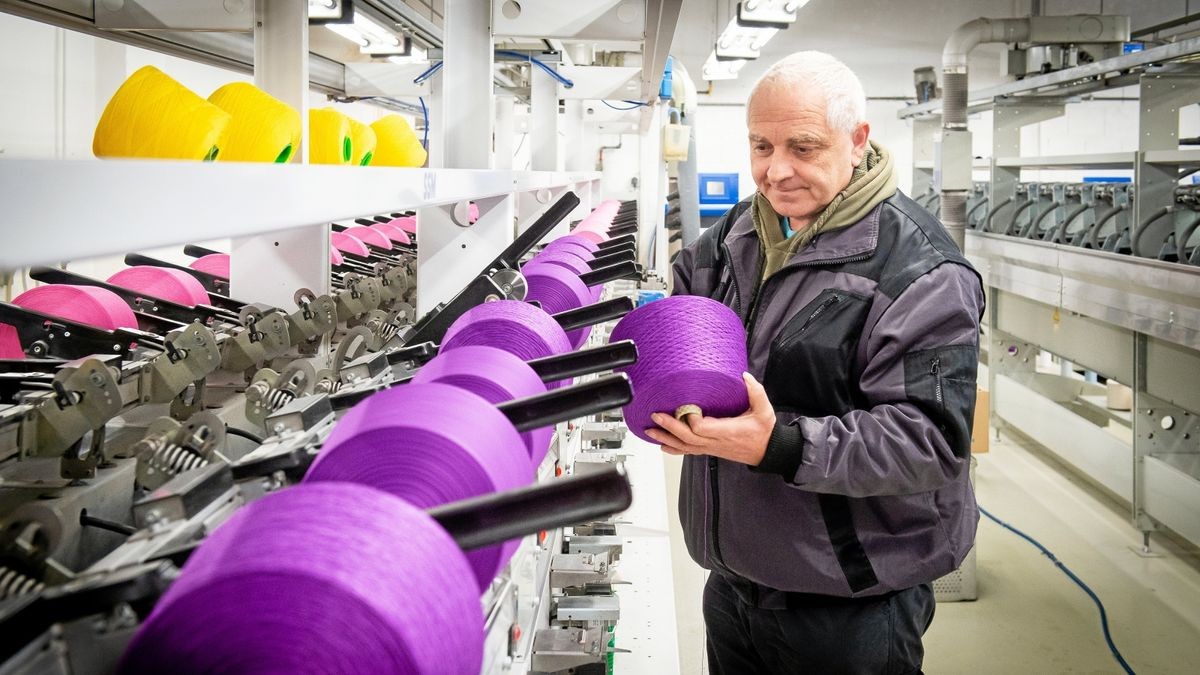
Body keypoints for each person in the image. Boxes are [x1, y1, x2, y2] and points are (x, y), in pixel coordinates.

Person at [648, 51, 985, 674]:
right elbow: (685, 318)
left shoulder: (920, 273)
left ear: (858, 141)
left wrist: (778, 444)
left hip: (848, 599)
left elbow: (931, 443)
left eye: (802, 147)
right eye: (761, 146)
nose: (776, 171)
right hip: (734, 578)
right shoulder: (735, 238)